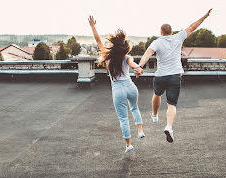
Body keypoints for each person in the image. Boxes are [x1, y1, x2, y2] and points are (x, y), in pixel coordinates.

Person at [135, 9, 212, 143]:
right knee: (172, 104)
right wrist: (205, 16)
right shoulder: (178, 37)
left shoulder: (157, 42)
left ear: (161, 32)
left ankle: (154, 115)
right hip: (175, 77)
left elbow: (147, 53)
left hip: (160, 76)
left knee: (157, 94)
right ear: (171, 32)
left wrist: (139, 67)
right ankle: (169, 126)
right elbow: (193, 26)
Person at [88, 16, 144, 153]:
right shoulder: (127, 57)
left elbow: (98, 40)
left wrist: (93, 26)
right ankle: (140, 131)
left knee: (123, 118)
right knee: (135, 108)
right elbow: (133, 64)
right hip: (130, 86)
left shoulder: (107, 57)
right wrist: (138, 68)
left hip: (118, 89)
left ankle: (128, 144)